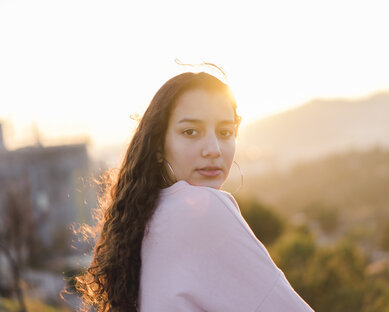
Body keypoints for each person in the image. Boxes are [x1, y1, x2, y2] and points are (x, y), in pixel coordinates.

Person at [75, 71, 314, 312]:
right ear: (159, 145)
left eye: (225, 132)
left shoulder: (143, 219)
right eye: (190, 132)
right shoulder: (202, 212)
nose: (213, 149)